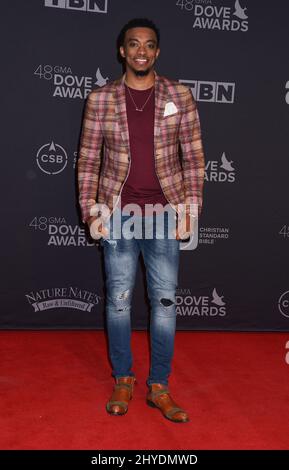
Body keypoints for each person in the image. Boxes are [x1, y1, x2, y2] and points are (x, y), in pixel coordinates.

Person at [77, 18, 205, 423]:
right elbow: (87, 160)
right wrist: (90, 209)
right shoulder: (101, 99)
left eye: (149, 44)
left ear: (158, 52)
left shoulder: (179, 95)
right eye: (133, 44)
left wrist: (189, 210)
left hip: (164, 214)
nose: (141, 51)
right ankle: (123, 378)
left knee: (164, 303)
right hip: (117, 213)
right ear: (122, 51)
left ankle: (159, 386)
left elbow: (195, 158)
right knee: (118, 300)